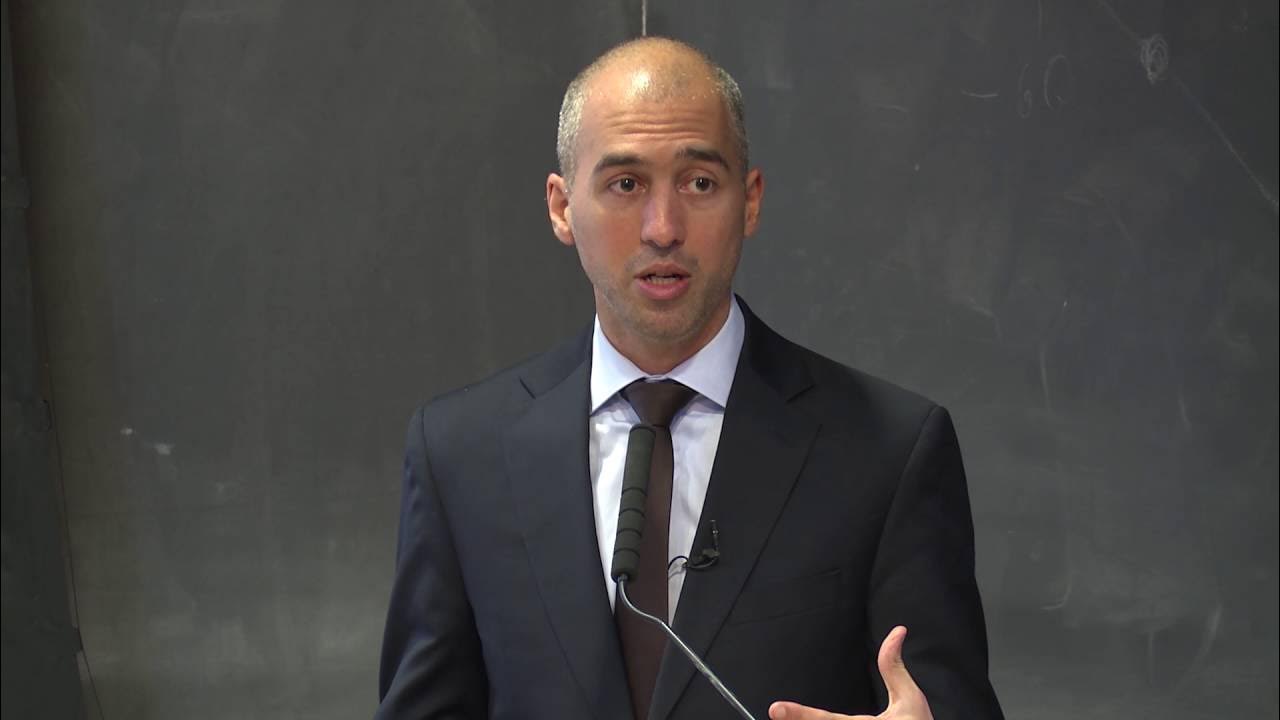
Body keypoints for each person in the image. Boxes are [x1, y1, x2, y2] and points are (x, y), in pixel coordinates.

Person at [376, 37, 1004, 720]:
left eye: (699, 183)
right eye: (625, 185)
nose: (663, 227)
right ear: (562, 208)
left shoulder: (889, 451)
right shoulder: (461, 452)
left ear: (751, 201)